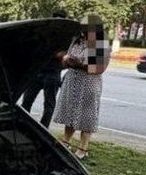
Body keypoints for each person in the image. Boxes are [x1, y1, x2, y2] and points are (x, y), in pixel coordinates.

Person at [53, 14, 111, 160]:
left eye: (87, 29)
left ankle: (82, 148)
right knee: (70, 112)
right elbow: (64, 62)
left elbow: (98, 68)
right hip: (72, 81)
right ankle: (66, 141)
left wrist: (76, 63)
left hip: (89, 83)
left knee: (87, 116)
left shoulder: (100, 43)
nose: (84, 31)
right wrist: (64, 58)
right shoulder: (77, 40)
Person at [21, 10, 68, 127]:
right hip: (39, 71)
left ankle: (43, 128)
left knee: (48, 105)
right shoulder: (45, 34)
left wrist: (52, 54)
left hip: (52, 72)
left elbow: (64, 57)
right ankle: (23, 124)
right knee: (26, 101)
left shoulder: (66, 37)